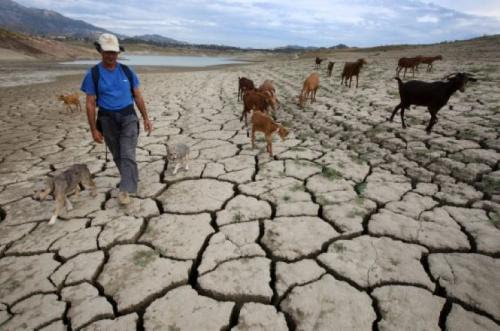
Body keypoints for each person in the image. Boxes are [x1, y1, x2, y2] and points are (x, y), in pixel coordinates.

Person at [81, 33, 153, 205]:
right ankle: (130, 179)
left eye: (114, 52)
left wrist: (146, 118)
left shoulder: (127, 71)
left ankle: (125, 189)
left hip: (128, 116)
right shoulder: (93, 74)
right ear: (100, 51)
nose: (111, 56)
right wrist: (94, 129)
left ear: (118, 53)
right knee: (117, 155)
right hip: (107, 119)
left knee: (127, 152)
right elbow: (90, 103)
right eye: (107, 52)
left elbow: (138, 96)